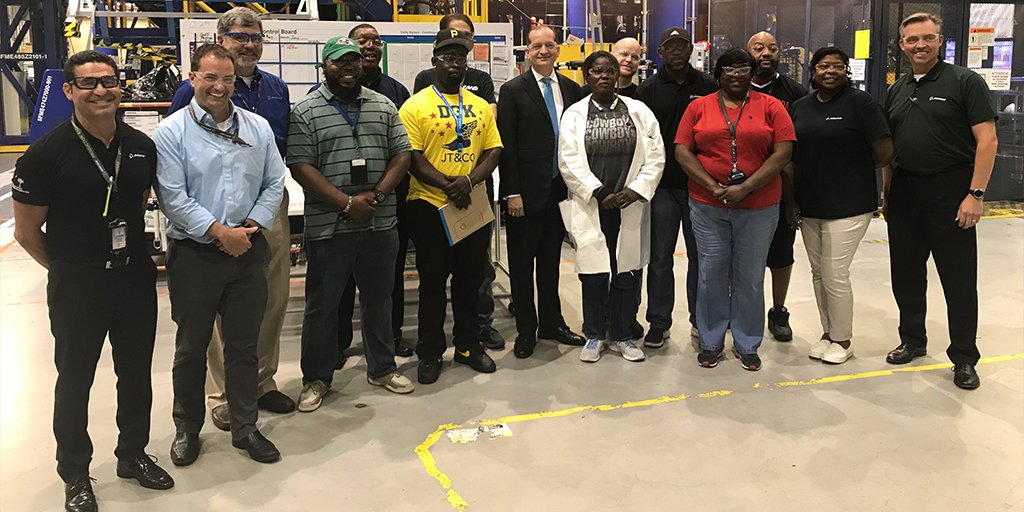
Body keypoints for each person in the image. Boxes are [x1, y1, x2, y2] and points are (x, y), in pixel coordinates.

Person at [12, 50, 174, 512]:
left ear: (119, 86)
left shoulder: (141, 146)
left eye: (108, 81)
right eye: (88, 83)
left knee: (136, 373)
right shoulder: (47, 153)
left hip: (135, 278)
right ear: (69, 91)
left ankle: (133, 454)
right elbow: (26, 233)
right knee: (75, 379)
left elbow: (139, 199)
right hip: (78, 284)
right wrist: (68, 269)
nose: (100, 90)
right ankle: (76, 473)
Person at [155, 44, 285, 466]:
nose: (219, 86)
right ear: (193, 78)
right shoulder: (171, 133)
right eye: (210, 77)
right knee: (191, 348)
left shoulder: (258, 127)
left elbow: (273, 181)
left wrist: (250, 226)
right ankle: (187, 428)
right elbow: (172, 196)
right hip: (196, 255)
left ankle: (246, 427)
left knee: (244, 346)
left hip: (248, 248)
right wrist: (218, 232)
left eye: (227, 79)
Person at [288, 37, 415, 412]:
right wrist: (345, 202)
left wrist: (374, 197)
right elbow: (300, 166)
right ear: (324, 66)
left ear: (363, 66)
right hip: (330, 227)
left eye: (354, 62)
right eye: (339, 62)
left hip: (379, 223)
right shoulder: (306, 111)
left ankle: (382, 368)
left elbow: (402, 154)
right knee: (322, 307)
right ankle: (316, 378)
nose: (348, 68)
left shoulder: (384, 105)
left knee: (380, 300)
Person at [884, 12, 998, 389]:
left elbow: (987, 140)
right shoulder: (897, 89)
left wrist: (975, 195)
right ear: (901, 45)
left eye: (927, 38)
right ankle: (913, 340)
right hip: (905, 192)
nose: (920, 45)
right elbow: (891, 148)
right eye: (912, 39)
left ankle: (964, 357)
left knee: (959, 278)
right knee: (906, 274)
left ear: (940, 41)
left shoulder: (965, 81)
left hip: (951, 191)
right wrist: (888, 192)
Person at [675, 48, 796, 371]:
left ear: (752, 72)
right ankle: (711, 340)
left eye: (744, 68)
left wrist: (746, 187)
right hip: (707, 205)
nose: (737, 74)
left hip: (758, 205)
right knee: (711, 272)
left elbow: (782, 152)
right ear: (719, 73)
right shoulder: (698, 107)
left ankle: (746, 341)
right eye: (729, 68)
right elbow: (683, 152)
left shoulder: (771, 107)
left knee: (750, 276)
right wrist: (712, 186)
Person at [399, 29, 503, 384]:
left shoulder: (478, 106)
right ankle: (430, 352)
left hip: (471, 203)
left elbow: (494, 150)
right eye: (447, 57)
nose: (455, 63)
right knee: (432, 282)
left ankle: (468, 346)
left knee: (470, 279)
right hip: (429, 204)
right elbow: (411, 157)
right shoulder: (415, 106)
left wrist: (470, 182)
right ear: (434, 62)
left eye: (460, 57)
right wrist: (448, 184)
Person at [786, 47, 893, 364]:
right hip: (810, 203)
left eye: (836, 66)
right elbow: (792, 155)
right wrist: (792, 200)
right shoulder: (801, 106)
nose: (829, 71)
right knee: (819, 273)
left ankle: (843, 339)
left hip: (849, 203)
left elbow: (884, 152)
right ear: (813, 71)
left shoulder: (862, 103)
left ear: (847, 70)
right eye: (822, 66)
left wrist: (850, 169)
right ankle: (827, 333)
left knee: (835, 272)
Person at [559, 51, 665, 363]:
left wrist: (635, 190)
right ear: (587, 76)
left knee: (627, 272)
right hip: (593, 204)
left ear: (618, 75)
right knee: (593, 272)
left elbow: (656, 154)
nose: (604, 76)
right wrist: (599, 192)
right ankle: (594, 333)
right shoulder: (575, 114)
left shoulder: (639, 111)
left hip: (628, 204)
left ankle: (621, 334)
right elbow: (568, 160)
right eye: (596, 71)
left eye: (609, 71)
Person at [497, 24, 586, 358]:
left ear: (558, 50)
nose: (544, 51)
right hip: (525, 195)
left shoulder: (570, 89)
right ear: (528, 52)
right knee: (521, 265)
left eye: (550, 45)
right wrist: (512, 193)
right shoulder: (513, 90)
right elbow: (507, 146)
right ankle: (526, 330)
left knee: (551, 263)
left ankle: (552, 322)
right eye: (537, 47)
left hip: (559, 192)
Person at [335, 23, 416, 366]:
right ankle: (337, 342)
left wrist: (381, 193)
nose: (369, 46)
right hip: (340, 202)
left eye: (375, 41)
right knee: (339, 277)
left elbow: (405, 149)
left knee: (389, 275)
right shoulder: (326, 92)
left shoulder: (397, 92)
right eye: (362, 41)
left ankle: (391, 335)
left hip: (386, 201)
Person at [637, 27, 718, 348]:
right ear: (661, 51)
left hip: (701, 187)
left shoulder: (709, 87)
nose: (676, 52)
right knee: (660, 258)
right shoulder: (649, 89)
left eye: (682, 46)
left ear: (690, 50)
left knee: (702, 258)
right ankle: (659, 321)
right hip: (662, 188)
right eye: (670, 46)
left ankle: (701, 320)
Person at [746, 31, 808, 342]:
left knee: (781, 254)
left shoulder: (793, 92)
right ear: (748, 53)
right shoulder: (732, 87)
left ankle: (779, 311)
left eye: (772, 47)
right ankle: (742, 311)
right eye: (759, 48)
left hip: (782, 187)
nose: (766, 53)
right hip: (740, 189)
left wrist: (793, 198)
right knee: (740, 257)